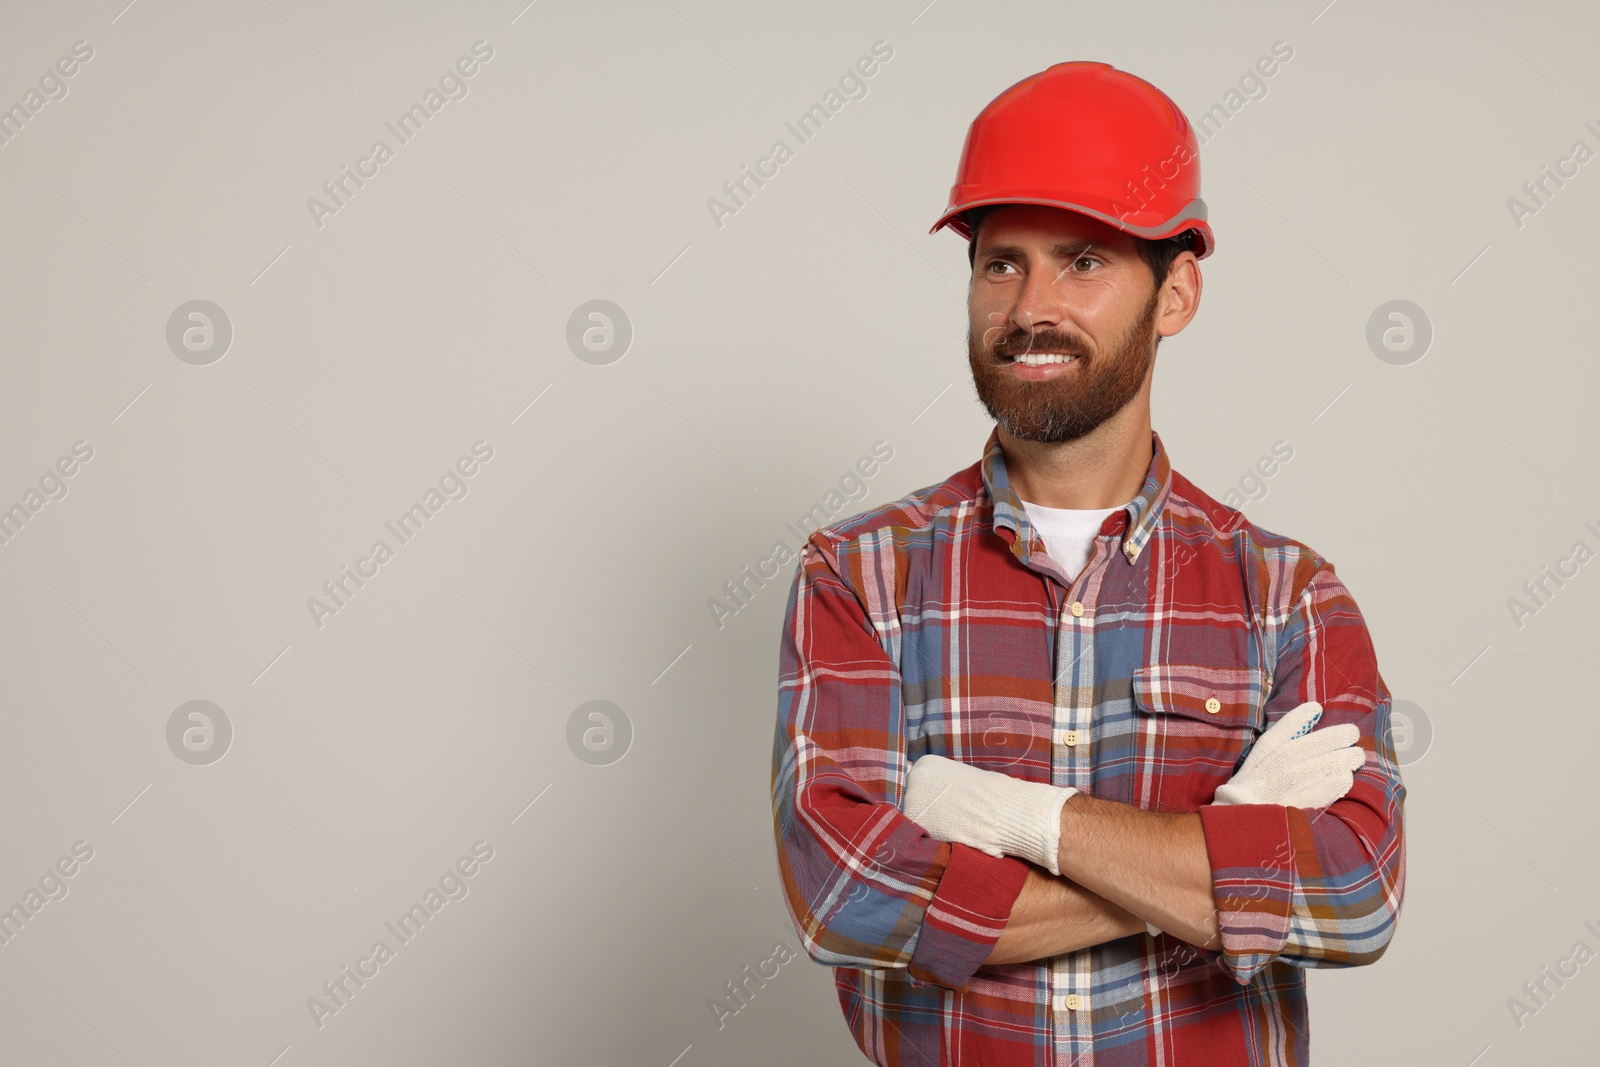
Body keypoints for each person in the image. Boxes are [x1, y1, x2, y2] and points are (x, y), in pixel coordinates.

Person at [769, 61, 1405, 1066]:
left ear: (1175, 293)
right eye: (1000, 263)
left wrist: (1006, 816)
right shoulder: (859, 574)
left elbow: (1354, 895)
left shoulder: (1288, 596)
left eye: (1082, 261)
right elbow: (846, 894)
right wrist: (1224, 841)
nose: (1030, 305)